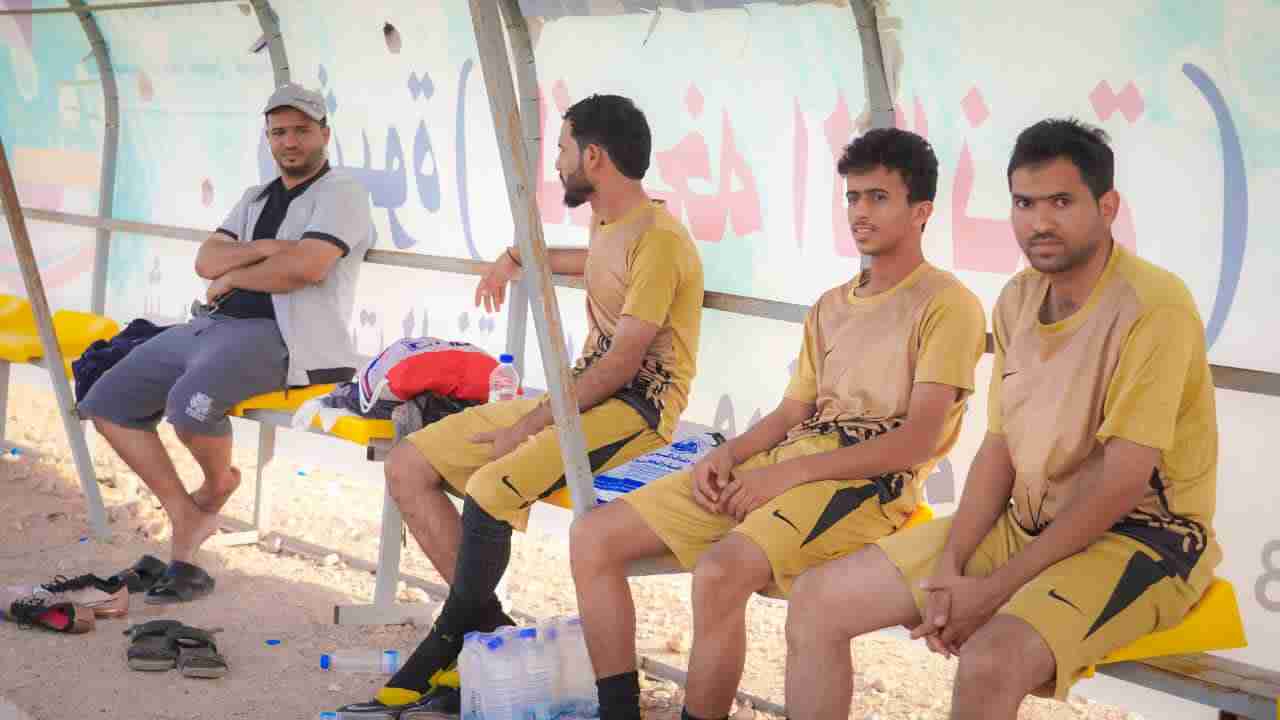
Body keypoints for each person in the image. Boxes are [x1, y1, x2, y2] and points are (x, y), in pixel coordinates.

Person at [784, 118, 1220, 720]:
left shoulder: (1155, 308)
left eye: (1061, 202)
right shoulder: (1017, 297)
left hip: (1142, 538)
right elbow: (999, 448)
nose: (1039, 222)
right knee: (816, 600)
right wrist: (948, 568)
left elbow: (1121, 484)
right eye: (1024, 203)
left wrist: (991, 590)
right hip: (1028, 523)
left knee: (990, 659)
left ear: (1108, 207)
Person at [570, 128, 987, 720]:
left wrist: (783, 477)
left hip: (867, 484)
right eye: (853, 197)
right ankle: (618, 711)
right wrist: (729, 455)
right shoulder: (831, 304)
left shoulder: (947, 304)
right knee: (593, 537)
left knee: (719, 573)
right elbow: (794, 412)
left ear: (921, 211)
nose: (860, 212)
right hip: (792, 461)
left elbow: (916, 441)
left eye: (879, 198)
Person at [338, 93, 705, 716]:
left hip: (637, 409)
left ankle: (445, 647)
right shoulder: (612, 221)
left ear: (594, 157)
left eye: (562, 149)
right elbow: (600, 264)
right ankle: (494, 644)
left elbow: (622, 365)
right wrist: (517, 257)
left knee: (491, 486)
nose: (557, 163)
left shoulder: (661, 239)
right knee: (409, 464)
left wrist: (533, 423)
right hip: (580, 395)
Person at [78, 83, 373, 604]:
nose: (290, 142)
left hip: (283, 336)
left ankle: (216, 485)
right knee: (106, 401)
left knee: (188, 407)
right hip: (211, 324)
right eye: (279, 132)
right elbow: (206, 261)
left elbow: (306, 268)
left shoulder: (341, 192)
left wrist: (235, 275)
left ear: (324, 134)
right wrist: (269, 248)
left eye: (301, 130)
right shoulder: (256, 197)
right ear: (268, 138)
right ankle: (187, 514)